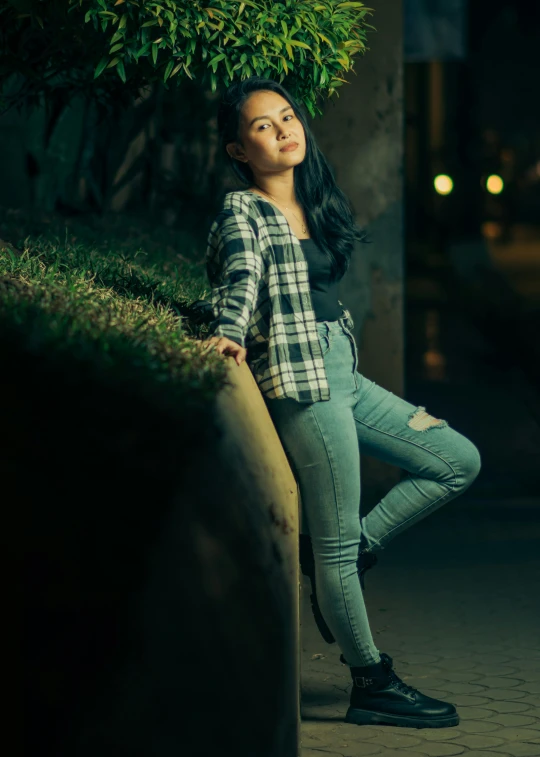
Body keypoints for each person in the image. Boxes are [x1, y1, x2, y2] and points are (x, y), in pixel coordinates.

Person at [202, 76, 482, 729]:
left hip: (345, 375)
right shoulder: (244, 212)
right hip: (304, 384)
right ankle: (371, 681)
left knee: (455, 458)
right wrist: (227, 329)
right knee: (330, 546)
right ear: (238, 149)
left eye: (287, 116)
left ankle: (356, 549)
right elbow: (241, 279)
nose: (283, 129)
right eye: (263, 126)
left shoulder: (317, 199)